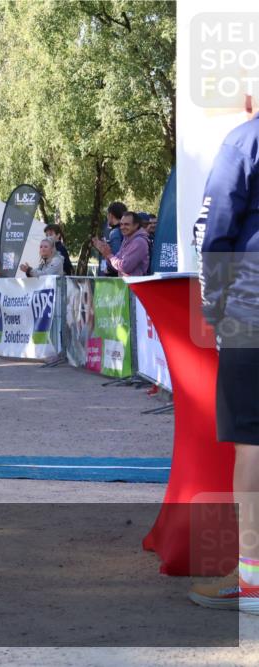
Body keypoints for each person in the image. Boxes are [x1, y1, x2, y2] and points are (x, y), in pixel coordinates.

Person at [190, 107, 259, 614]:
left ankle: (254, 580)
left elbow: (214, 233)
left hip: (251, 314)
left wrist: (213, 305)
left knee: (253, 444)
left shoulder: (244, 141)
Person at [92, 211, 149, 277]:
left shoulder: (139, 242)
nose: (122, 227)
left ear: (136, 225)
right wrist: (105, 253)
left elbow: (124, 267)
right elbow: (116, 267)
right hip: (125, 285)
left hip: (134, 286)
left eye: (126, 224)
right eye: (121, 224)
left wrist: (109, 255)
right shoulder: (127, 240)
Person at [98, 201, 128, 276]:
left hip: (111, 278)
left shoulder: (115, 233)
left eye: (107, 215)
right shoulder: (125, 231)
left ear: (110, 215)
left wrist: (106, 269)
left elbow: (115, 256)